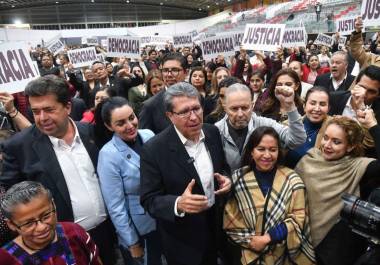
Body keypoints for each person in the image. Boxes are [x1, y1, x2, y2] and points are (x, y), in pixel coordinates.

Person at [0, 75, 116, 265]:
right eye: (36, 111)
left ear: (68, 107)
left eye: (49, 109)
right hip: (60, 245)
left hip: (106, 233)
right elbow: (12, 202)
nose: (42, 118)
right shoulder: (18, 147)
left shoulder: (91, 132)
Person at [140, 82, 231, 265]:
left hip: (216, 228)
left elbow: (222, 168)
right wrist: (178, 204)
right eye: (184, 112)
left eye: (197, 108)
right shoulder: (154, 149)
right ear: (170, 116)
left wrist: (226, 179)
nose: (194, 117)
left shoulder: (212, 132)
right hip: (183, 242)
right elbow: (149, 200)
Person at [295, 113, 380, 265]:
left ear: (351, 146)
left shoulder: (358, 167)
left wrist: (373, 126)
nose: (327, 145)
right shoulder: (310, 157)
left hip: (330, 252)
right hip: (294, 239)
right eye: (325, 137)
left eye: (336, 142)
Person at [224, 127, 315, 265]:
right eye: (261, 149)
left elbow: (298, 219)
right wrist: (252, 241)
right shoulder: (238, 179)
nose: (267, 155)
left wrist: (267, 238)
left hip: (284, 256)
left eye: (273, 150)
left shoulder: (292, 180)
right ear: (251, 152)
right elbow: (231, 222)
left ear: (279, 152)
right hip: (248, 255)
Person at [97, 97, 162, 265]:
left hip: (164, 216)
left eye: (132, 117)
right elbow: (115, 205)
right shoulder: (108, 155)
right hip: (141, 228)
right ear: (109, 126)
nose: (130, 125)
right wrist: (132, 241)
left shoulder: (148, 135)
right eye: (121, 123)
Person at [0, 181, 102, 265]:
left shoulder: (74, 232)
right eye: (29, 223)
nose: (41, 227)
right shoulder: (5, 258)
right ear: (12, 225)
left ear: (53, 205)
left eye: (46, 216)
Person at [215, 83, 306, 172]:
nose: (240, 114)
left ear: (252, 105)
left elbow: (297, 140)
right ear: (225, 108)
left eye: (245, 108)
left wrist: (290, 107)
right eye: (234, 109)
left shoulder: (265, 124)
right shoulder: (216, 131)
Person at [139, 53, 187, 133]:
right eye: (165, 70)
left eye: (175, 70)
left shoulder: (196, 97)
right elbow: (146, 141)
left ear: (186, 72)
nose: (169, 75)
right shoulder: (150, 106)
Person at [285, 86, 330, 168]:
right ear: (304, 106)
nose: (317, 108)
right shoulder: (288, 125)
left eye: (322, 104)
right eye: (312, 103)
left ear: (328, 108)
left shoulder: (335, 128)